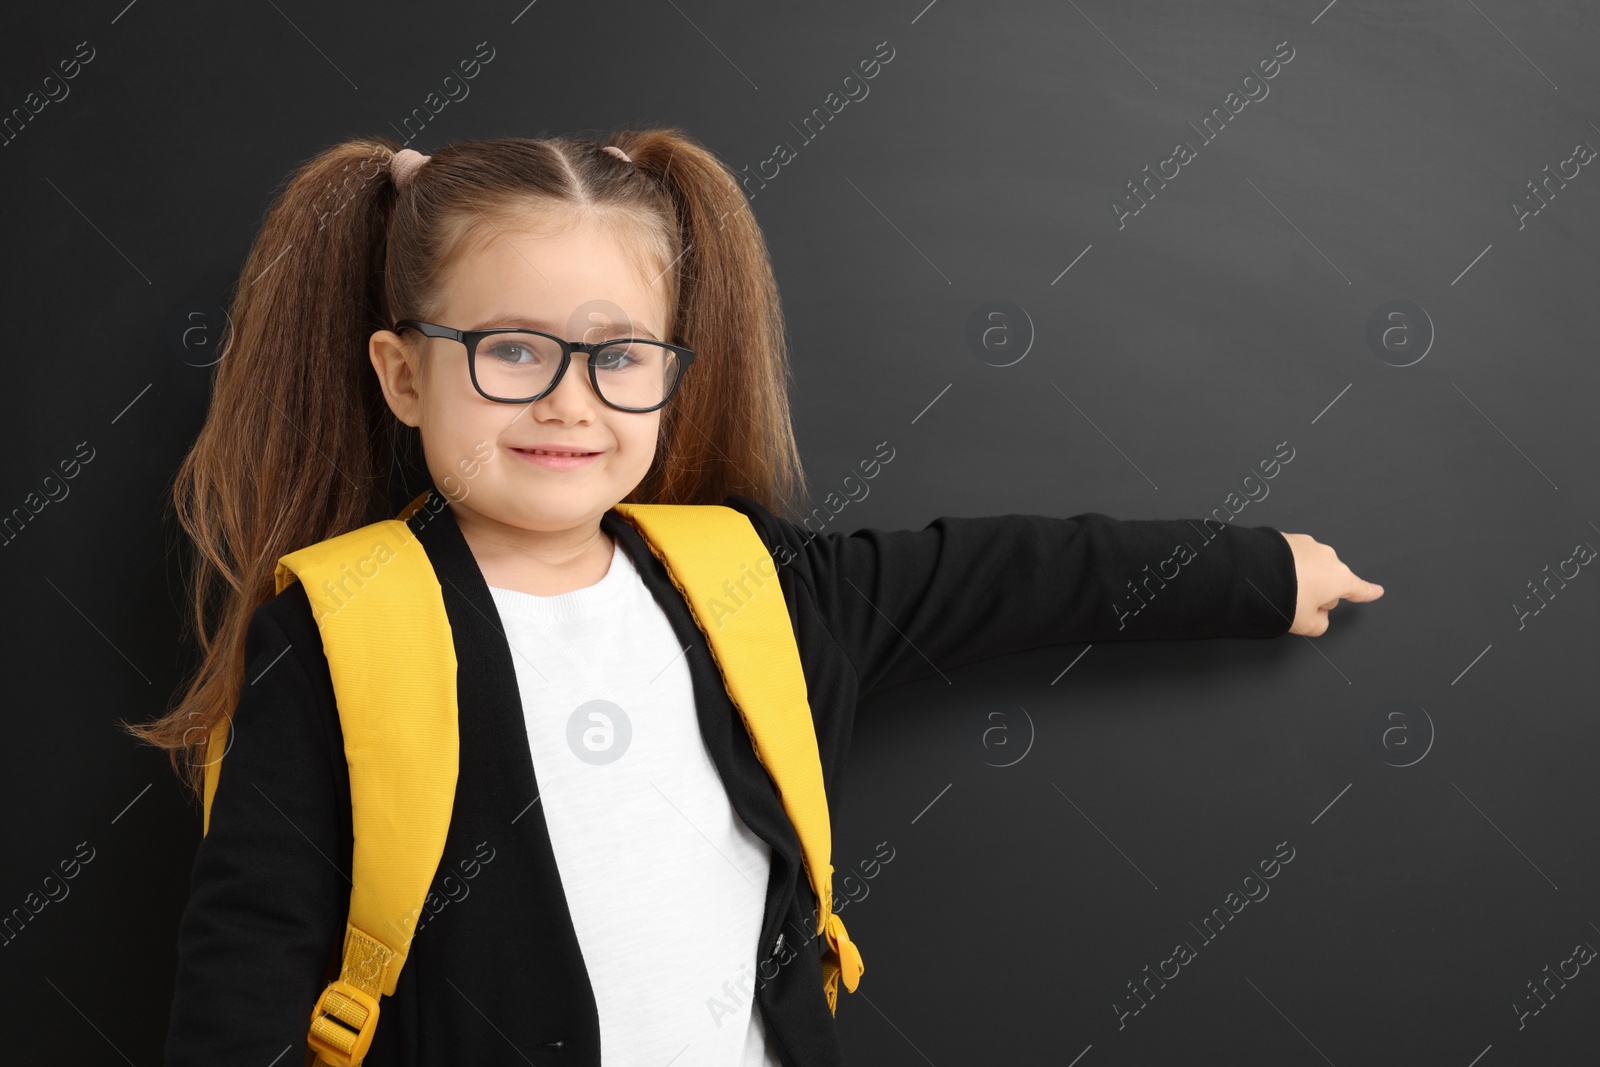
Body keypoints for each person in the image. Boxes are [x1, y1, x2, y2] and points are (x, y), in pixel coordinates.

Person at [129, 129, 1383, 1067]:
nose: (571, 400)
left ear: (671, 372)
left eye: (619, 356)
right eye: (511, 349)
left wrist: (1261, 569)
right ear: (405, 377)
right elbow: (247, 956)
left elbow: (1015, 573)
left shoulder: (752, 583)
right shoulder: (339, 620)